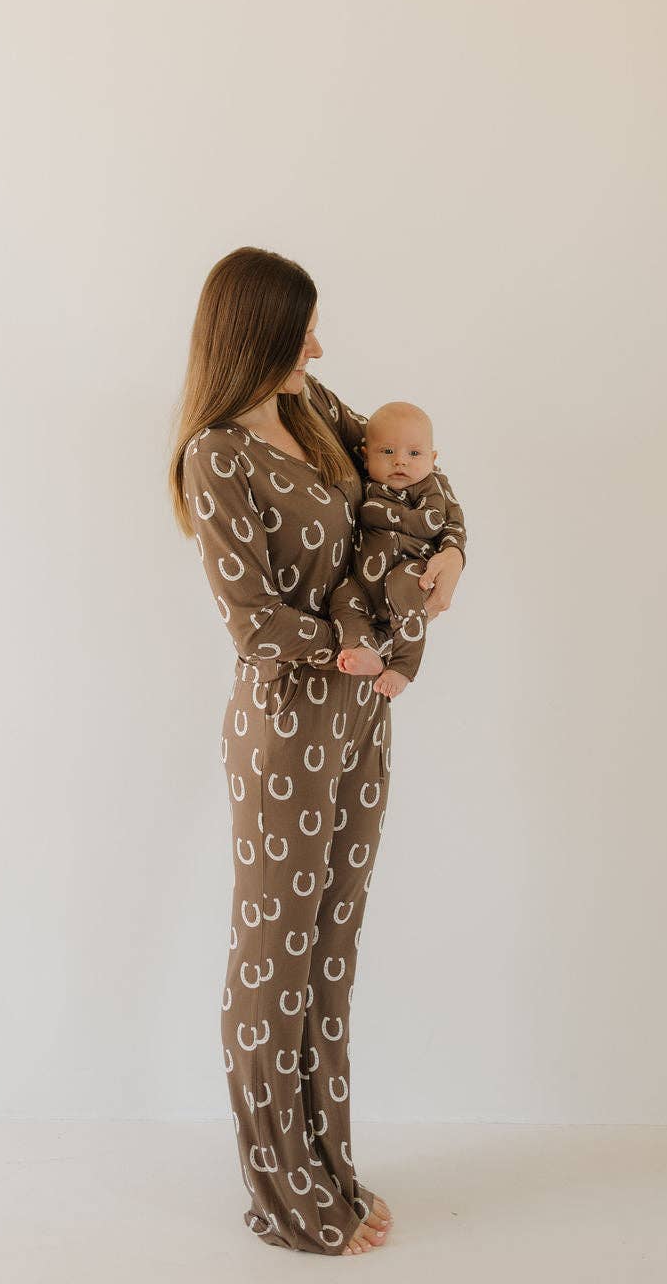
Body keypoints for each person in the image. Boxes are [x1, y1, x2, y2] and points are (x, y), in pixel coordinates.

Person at [169, 246, 466, 1255]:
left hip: (361, 716)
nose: (320, 350)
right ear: (257, 338)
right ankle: (284, 1195)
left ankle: (330, 1167)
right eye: (302, 335)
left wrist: (452, 549)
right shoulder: (216, 455)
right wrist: (351, 650)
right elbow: (251, 621)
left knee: (330, 953)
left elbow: (416, 470)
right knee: (274, 959)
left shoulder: (313, 412)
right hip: (289, 725)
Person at [328, 398, 467, 697]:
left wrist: (381, 512)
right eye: (387, 452)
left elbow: (431, 522)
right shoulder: (367, 483)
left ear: (432, 458)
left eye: (414, 453)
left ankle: (403, 666)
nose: (400, 461)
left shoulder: (429, 486)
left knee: (402, 588)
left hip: (411, 567)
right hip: (364, 581)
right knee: (343, 597)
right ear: (366, 456)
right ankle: (362, 648)